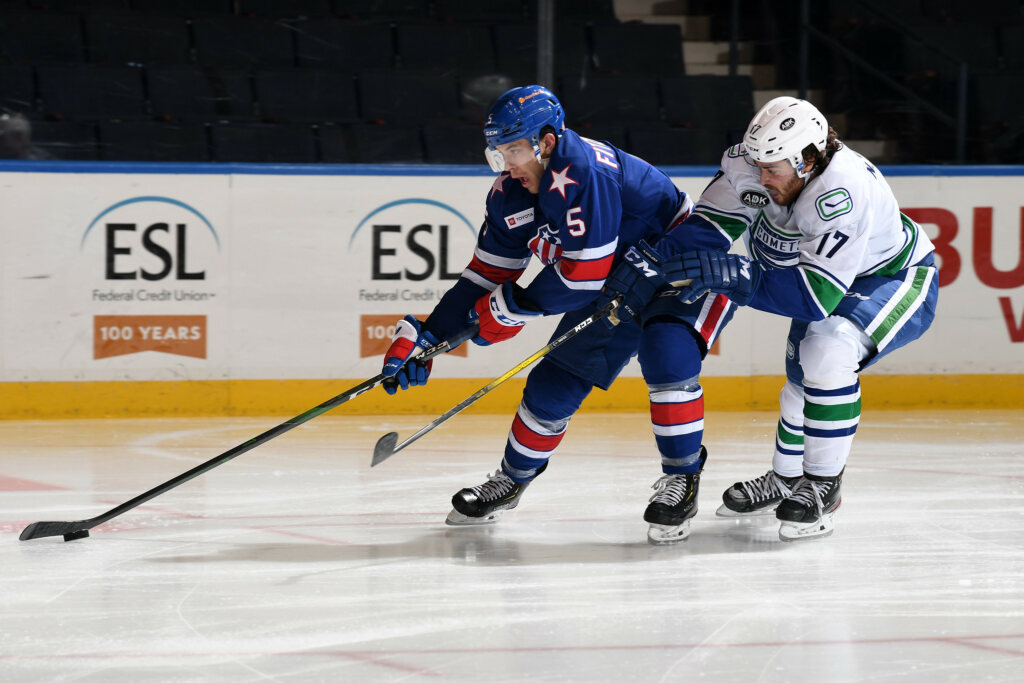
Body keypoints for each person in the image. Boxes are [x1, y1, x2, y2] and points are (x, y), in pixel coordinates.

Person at [381, 85, 735, 544]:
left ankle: (683, 479)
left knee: (667, 357)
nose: (506, 164)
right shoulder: (511, 194)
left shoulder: (584, 171)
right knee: (554, 382)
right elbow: (483, 275)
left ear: (546, 142)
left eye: (514, 150)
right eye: (498, 153)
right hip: (614, 279)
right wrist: (429, 336)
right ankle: (510, 481)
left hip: (678, 266)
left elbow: (582, 277)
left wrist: (513, 308)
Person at [653, 96, 938, 541]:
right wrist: (651, 264)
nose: (762, 178)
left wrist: (739, 277)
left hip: (893, 277)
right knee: (802, 378)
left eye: (773, 169)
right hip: (823, 279)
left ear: (808, 160)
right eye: (758, 164)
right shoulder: (755, 163)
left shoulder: (841, 194)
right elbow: (710, 226)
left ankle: (824, 484)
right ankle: (786, 481)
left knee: (828, 351)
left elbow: (814, 298)